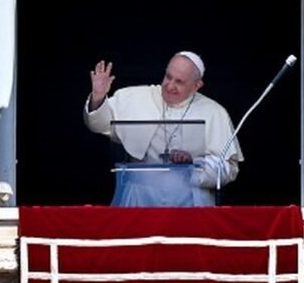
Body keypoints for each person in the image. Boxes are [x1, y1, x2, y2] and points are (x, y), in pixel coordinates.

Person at [83, 51, 243, 206]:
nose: (170, 86)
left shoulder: (214, 112)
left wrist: (193, 162)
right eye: (168, 77)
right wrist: (98, 97)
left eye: (179, 82)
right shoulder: (136, 97)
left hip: (190, 201)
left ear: (196, 85)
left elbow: (228, 169)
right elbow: (98, 125)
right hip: (139, 198)